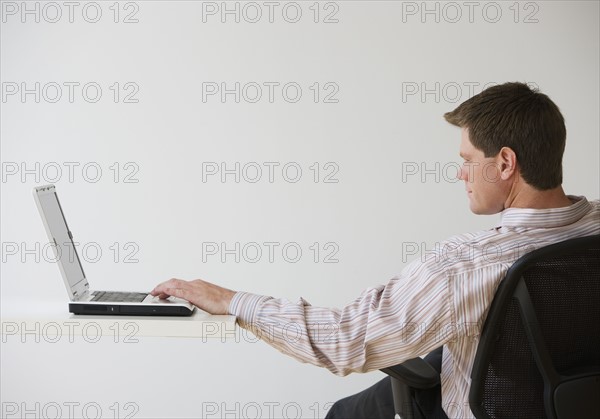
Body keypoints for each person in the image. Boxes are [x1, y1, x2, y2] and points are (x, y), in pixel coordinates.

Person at [151, 82, 600, 418]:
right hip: (564, 393)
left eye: (466, 160)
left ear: (505, 163)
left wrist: (232, 300)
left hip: (486, 403)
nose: (459, 174)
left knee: (341, 414)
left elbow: (345, 341)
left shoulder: (466, 267)